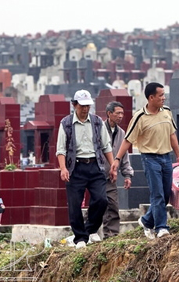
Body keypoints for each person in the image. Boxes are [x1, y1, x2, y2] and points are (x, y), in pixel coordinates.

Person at [110, 82, 179, 239]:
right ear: (151, 98)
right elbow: (127, 140)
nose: (164, 98)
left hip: (166, 158)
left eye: (164, 95)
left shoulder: (167, 112)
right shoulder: (140, 117)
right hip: (150, 159)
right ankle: (161, 228)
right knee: (157, 194)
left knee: (166, 194)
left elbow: (172, 134)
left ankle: (146, 220)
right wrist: (117, 159)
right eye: (160, 96)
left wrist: (178, 154)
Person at [56, 89, 117, 249]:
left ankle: (89, 230)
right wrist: (63, 169)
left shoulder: (97, 122)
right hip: (75, 167)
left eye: (88, 106)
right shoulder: (66, 124)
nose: (85, 109)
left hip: (95, 166)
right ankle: (80, 238)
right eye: (82, 106)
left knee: (101, 200)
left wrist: (112, 166)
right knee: (75, 204)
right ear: (74, 105)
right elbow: (61, 149)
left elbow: (106, 146)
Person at [102, 101, 134, 238]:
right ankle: (90, 233)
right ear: (109, 114)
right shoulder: (99, 129)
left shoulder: (122, 133)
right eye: (118, 113)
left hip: (111, 177)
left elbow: (124, 156)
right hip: (97, 175)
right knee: (98, 204)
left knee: (113, 205)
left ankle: (111, 235)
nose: (121, 116)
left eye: (122, 113)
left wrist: (127, 175)